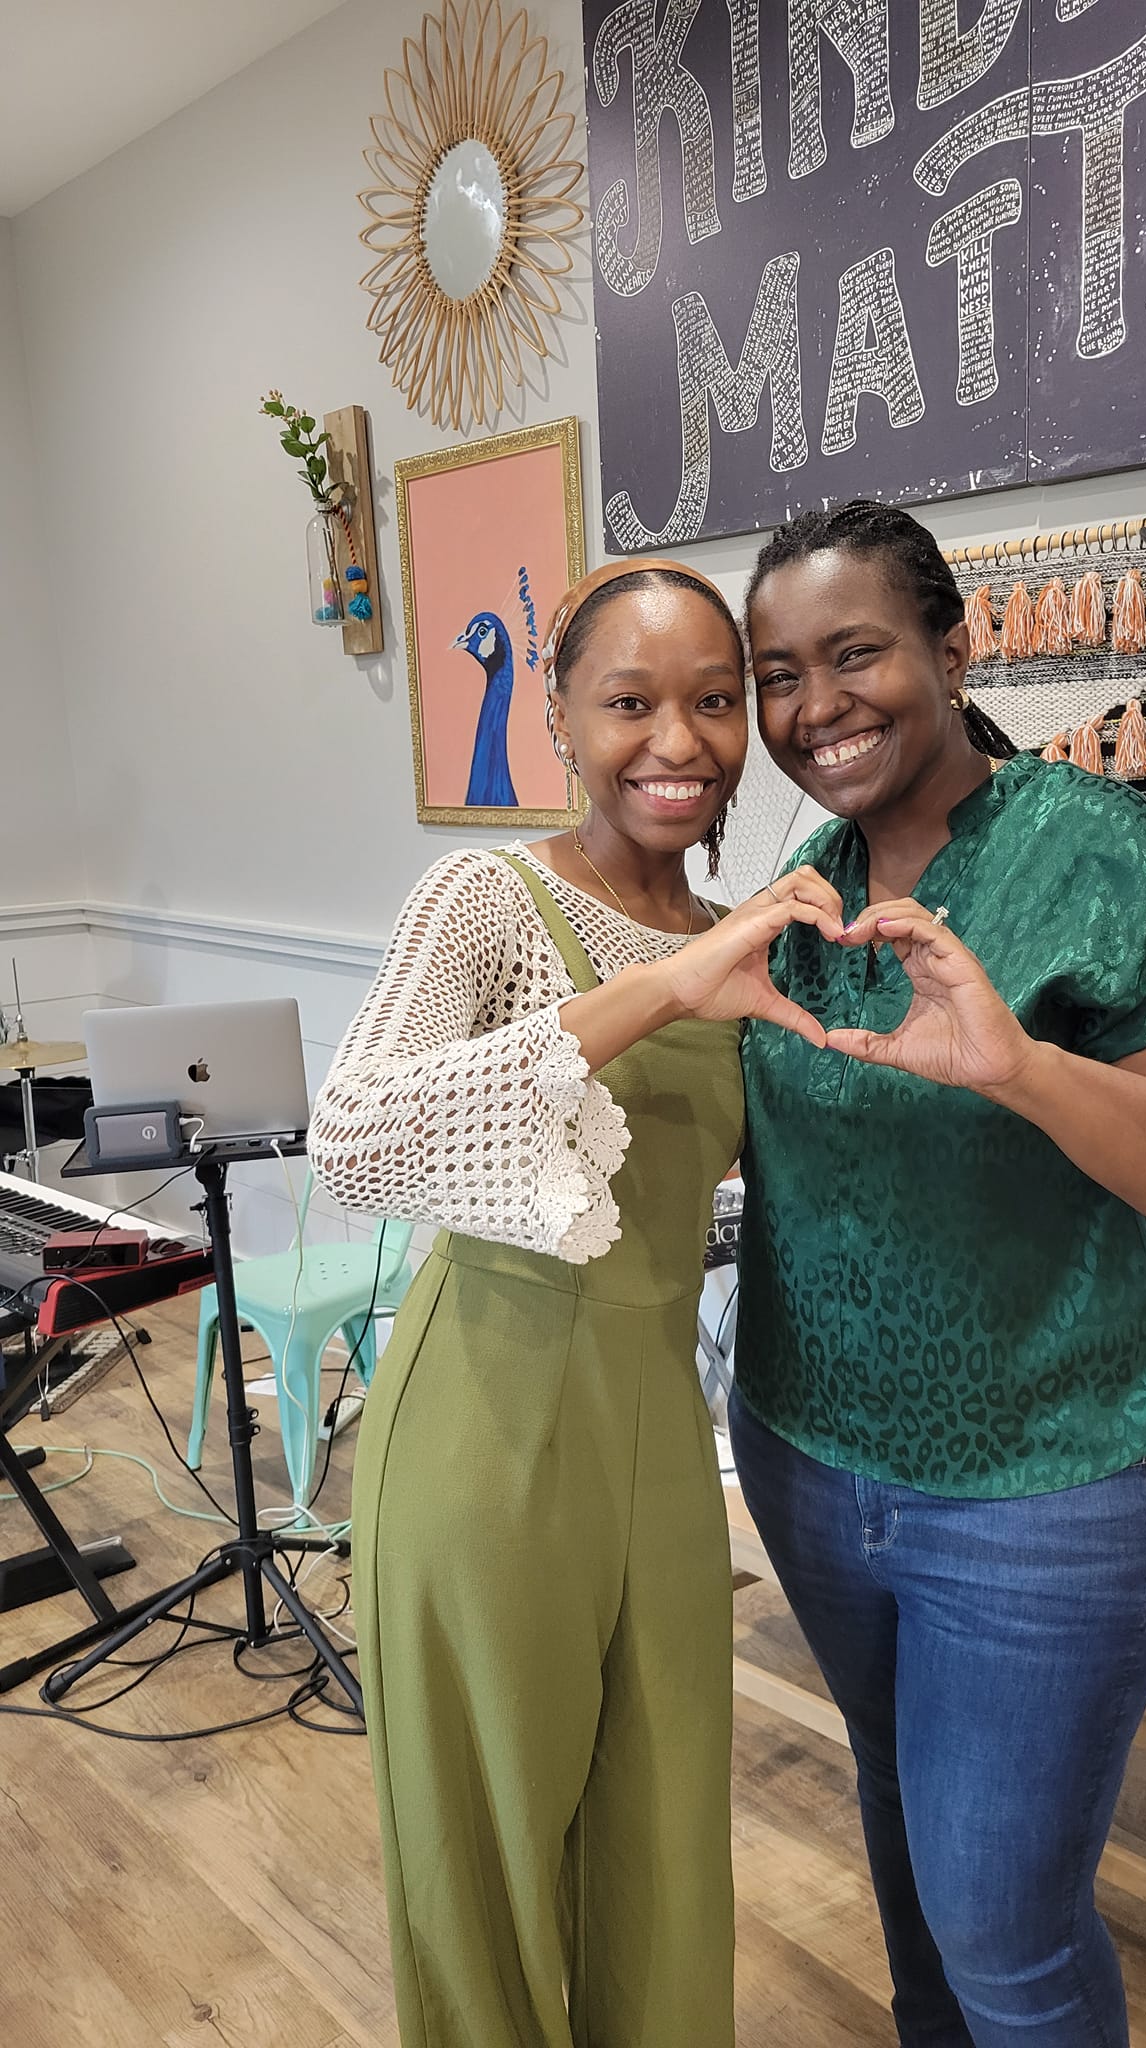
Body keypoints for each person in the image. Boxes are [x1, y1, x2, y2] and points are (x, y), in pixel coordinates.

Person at [731, 501, 1146, 2048]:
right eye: (779, 675)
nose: (816, 706)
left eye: (856, 654)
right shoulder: (805, 891)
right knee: (905, 1846)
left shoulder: (1099, 853)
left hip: (1040, 1494)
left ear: (955, 650)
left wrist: (1027, 1071)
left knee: (1004, 1928)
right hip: (807, 1460)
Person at [309, 559, 842, 2048]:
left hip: (661, 1431)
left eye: (715, 702)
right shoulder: (488, 900)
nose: (678, 743)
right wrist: (667, 989)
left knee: (665, 1854)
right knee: (483, 1857)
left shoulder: (742, 931)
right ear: (558, 718)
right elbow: (354, 1136)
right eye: (629, 703)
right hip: (484, 1422)